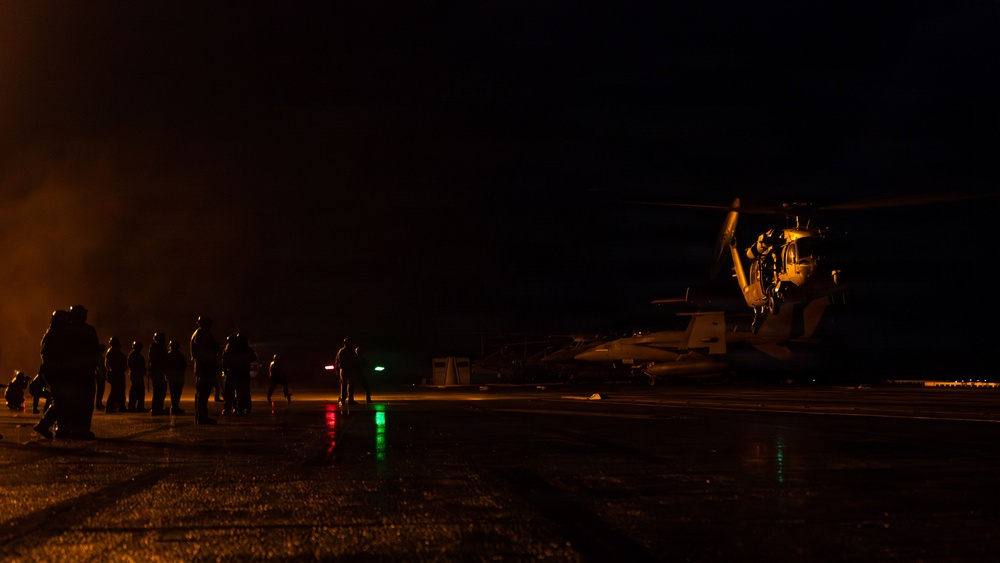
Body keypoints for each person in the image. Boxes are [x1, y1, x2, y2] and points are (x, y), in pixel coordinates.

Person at [190, 315, 221, 424]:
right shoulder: (202, 334)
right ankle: (202, 417)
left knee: (201, 393)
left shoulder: (199, 333)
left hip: (203, 366)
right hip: (205, 367)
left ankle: (200, 416)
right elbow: (209, 349)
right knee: (203, 393)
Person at [222, 332, 257, 415]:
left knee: (230, 392)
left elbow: (224, 361)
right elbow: (253, 358)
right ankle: (241, 408)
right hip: (242, 373)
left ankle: (230, 408)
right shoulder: (246, 349)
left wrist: (225, 370)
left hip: (232, 372)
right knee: (243, 391)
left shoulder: (230, 348)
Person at [147, 332, 169, 415]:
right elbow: (161, 360)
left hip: (156, 372)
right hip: (157, 372)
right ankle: (157, 409)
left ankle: (157, 408)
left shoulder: (154, 347)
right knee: (159, 391)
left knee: (159, 391)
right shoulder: (158, 347)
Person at [104, 337, 128, 413]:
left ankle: (119, 406)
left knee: (118, 391)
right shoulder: (112, 352)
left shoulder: (111, 352)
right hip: (116, 374)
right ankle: (111, 407)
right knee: (116, 391)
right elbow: (112, 365)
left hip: (115, 374)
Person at [165, 340, 187, 415]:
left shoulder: (168, 355)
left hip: (172, 377)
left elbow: (165, 367)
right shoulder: (180, 355)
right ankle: (175, 407)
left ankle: (174, 406)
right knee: (177, 393)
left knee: (173, 392)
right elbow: (184, 365)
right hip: (178, 377)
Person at [335, 338, 359, 405]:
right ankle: (346, 399)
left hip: (345, 369)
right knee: (347, 384)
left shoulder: (342, 351)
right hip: (346, 369)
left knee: (346, 384)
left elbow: (337, 362)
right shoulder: (347, 351)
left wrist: (337, 370)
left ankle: (345, 399)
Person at [127, 340, 148, 412]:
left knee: (138, 391)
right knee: (136, 391)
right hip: (136, 375)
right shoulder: (134, 355)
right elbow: (131, 366)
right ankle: (134, 406)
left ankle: (137, 406)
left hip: (136, 375)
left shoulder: (134, 355)